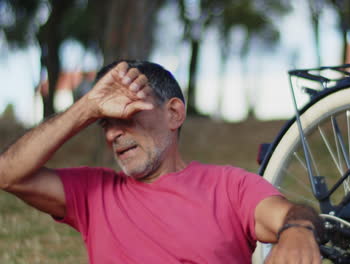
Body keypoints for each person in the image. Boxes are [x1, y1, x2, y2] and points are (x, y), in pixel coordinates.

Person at [0, 60, 324, 263]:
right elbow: (8, 173)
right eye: (105, 122)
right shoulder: (93, 193)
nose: (113, 133)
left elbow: (290, 215)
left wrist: (297, 230)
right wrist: (87, 107)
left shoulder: (229, 186)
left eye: (127, 114)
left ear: (174, 113)